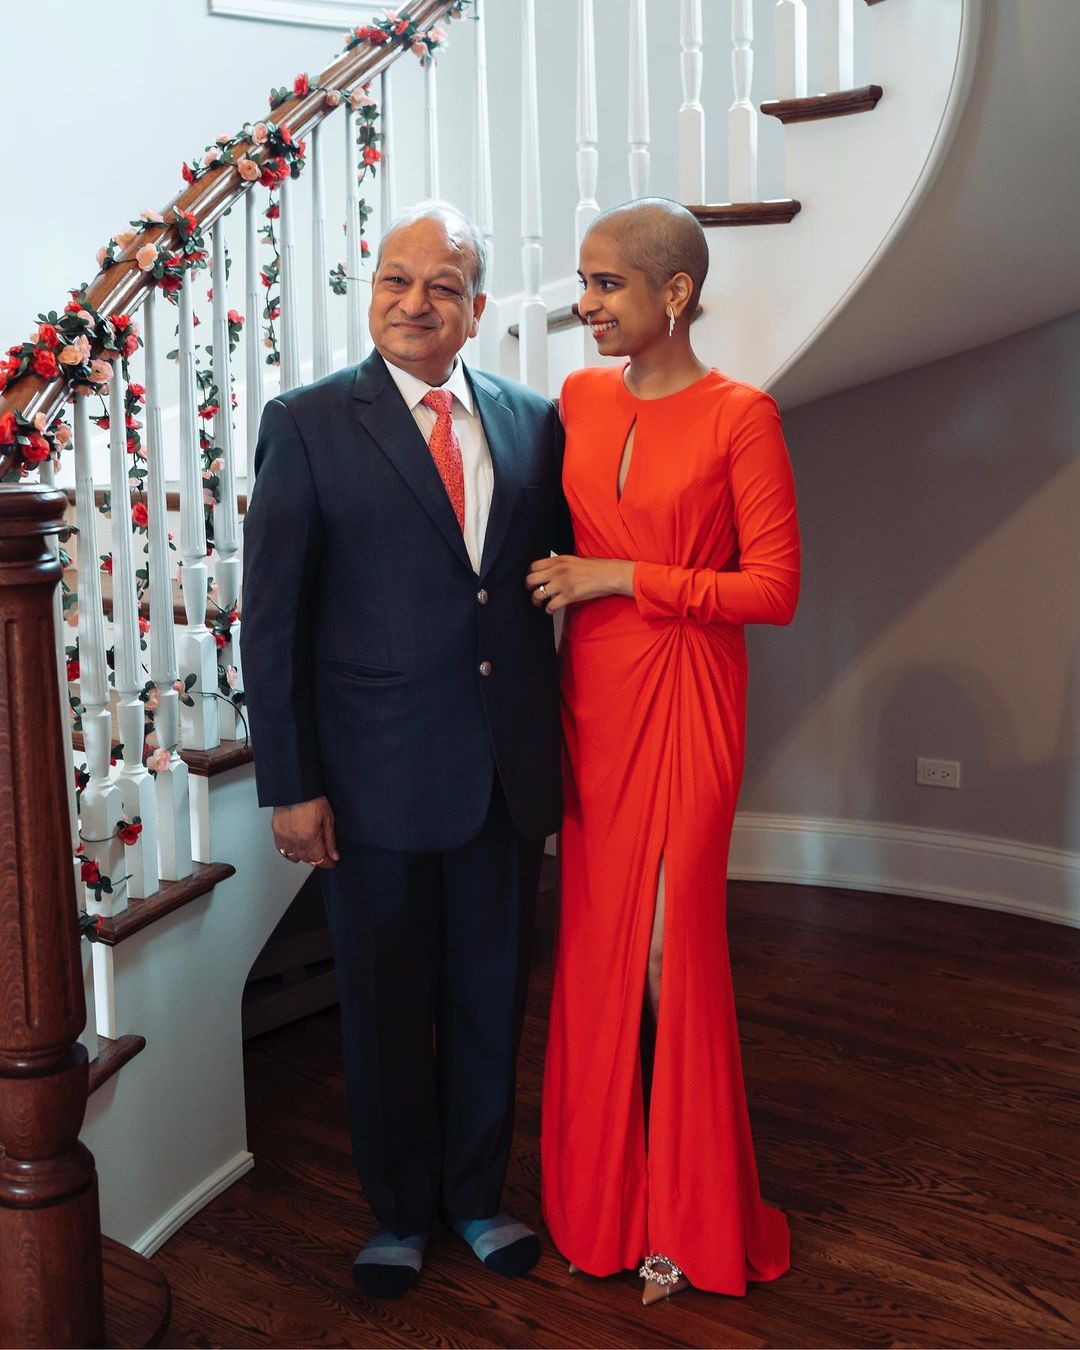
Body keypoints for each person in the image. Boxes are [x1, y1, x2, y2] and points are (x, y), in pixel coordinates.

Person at [241, 202, 570, 1299]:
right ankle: (396, 1215)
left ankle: (476, 1197)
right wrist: (292, 785)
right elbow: (272, 620)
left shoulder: (533, 422)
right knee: (385, 1012)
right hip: (371, 781)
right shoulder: (306, 423)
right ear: (372, 290)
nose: (414, 302)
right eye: (395, 279)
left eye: (442, 285)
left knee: (490, 1001)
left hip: (505, 780)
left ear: (477, 309)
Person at [530, 198, 799, 1302]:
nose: (585, 305)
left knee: (664, 956)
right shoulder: (577, 398)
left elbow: (773, 590)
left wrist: (624, 576)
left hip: (689, 692)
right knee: (596, 952)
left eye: (607, 284)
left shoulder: (744, 415)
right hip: (592, 699)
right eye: (584, 283)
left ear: (674, 293)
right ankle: (603, 1205)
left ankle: (689, 1217)